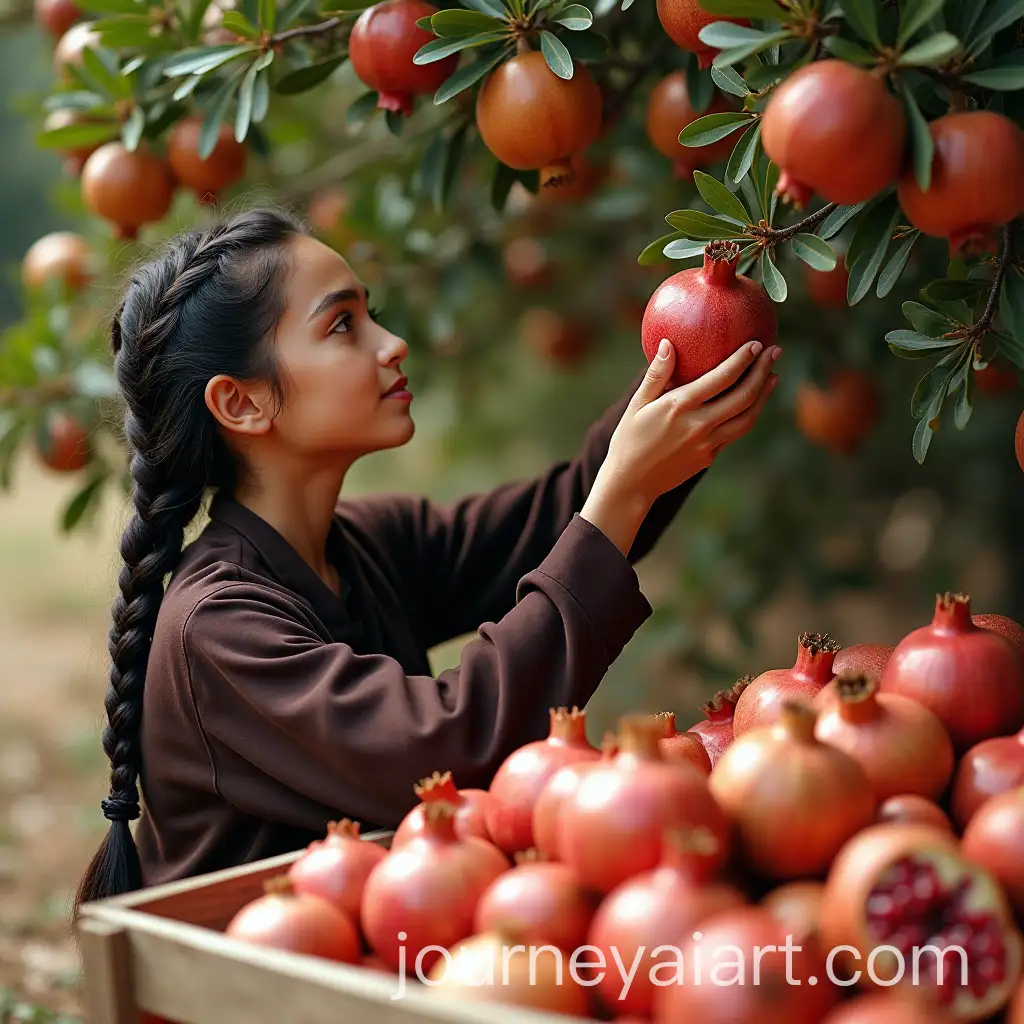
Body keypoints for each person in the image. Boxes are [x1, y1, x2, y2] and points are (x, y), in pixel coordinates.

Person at [74, 206, 780, 908]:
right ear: (243, 403)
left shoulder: (364, 546)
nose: (393, 343)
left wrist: (699, 334)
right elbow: (452, 745)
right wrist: (621, 495)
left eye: (370, 313)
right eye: (343, 324)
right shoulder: (218, 629)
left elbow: (565, 512)